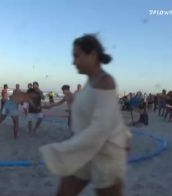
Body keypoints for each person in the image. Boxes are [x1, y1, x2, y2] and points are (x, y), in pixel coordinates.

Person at [39, 35, 131, 196]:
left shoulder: (105, 81)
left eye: (77, 56)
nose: (73, 62)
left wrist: (62, 149)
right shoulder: (90, 82)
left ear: (93, 55)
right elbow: (110, 115)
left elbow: (101, 127)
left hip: (106, 155)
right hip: (84, 151)